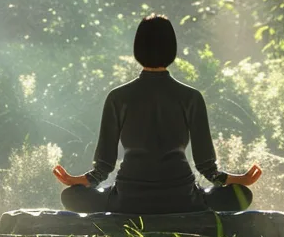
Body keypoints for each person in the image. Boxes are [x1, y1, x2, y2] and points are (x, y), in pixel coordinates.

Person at [52, 14, 262, 213]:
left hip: (127, 200)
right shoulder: (191, 97)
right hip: (183, 200)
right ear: (172, 50)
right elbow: (207, 167)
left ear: (137, 50)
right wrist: (237, 180)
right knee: (241, 195)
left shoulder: (117, 97)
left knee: (71, 197)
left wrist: (80, 181)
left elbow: (103, 166)